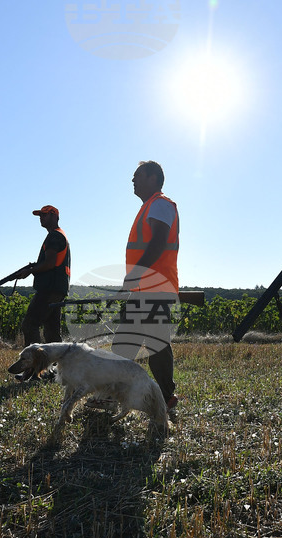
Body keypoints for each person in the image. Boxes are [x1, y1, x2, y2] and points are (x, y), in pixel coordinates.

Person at [112, 161, 180, 414]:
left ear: (153, 178)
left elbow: (159, 242)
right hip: (145, 288)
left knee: (155, 343)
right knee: (124, 343)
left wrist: (136, 274)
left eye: (137, 175)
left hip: (155, 286)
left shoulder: (160, 204)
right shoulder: (149, 207)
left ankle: (165, 395)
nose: (133, 180)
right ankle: (114, 394)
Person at [15, 205, 71, 350]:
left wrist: (30, 271)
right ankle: (57, 368)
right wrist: (33, 266)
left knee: (30, 324)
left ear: (55, 216)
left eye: (44, 215)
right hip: (58, 289)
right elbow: (52, 262)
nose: (41, 218)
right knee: (52, 333)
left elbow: (50, 263)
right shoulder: (59, 234)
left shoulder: (54, 236)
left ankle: (34, 366)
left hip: (49, 289)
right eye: (40, 215)